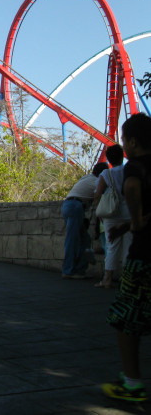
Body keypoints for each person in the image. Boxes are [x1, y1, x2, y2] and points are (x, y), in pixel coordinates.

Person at [103, 113, 151, 402]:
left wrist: (135, 220)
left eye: (124, 140)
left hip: (144, 255)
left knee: (125, 317)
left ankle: (132, 382)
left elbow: (132, 187)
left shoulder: (135, 165)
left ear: (133, 142)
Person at [61, 161, 108, 279]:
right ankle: (69, 271)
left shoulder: (86, 177)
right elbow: (103, 194)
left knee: (85, 239)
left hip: (68, 204)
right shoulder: (97, 182)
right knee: (72, 240)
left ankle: (79, 270)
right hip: (76, 206)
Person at [94, 144, 131, 288]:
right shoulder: (129, 170)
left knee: (111, 247)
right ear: (122, 157)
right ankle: (127, 280)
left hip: (111, 214)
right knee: (129, 247)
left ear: (108, 159)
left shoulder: (106, 174)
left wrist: (99, 213)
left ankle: (107, 279)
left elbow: (98, 194)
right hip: (128, 213)